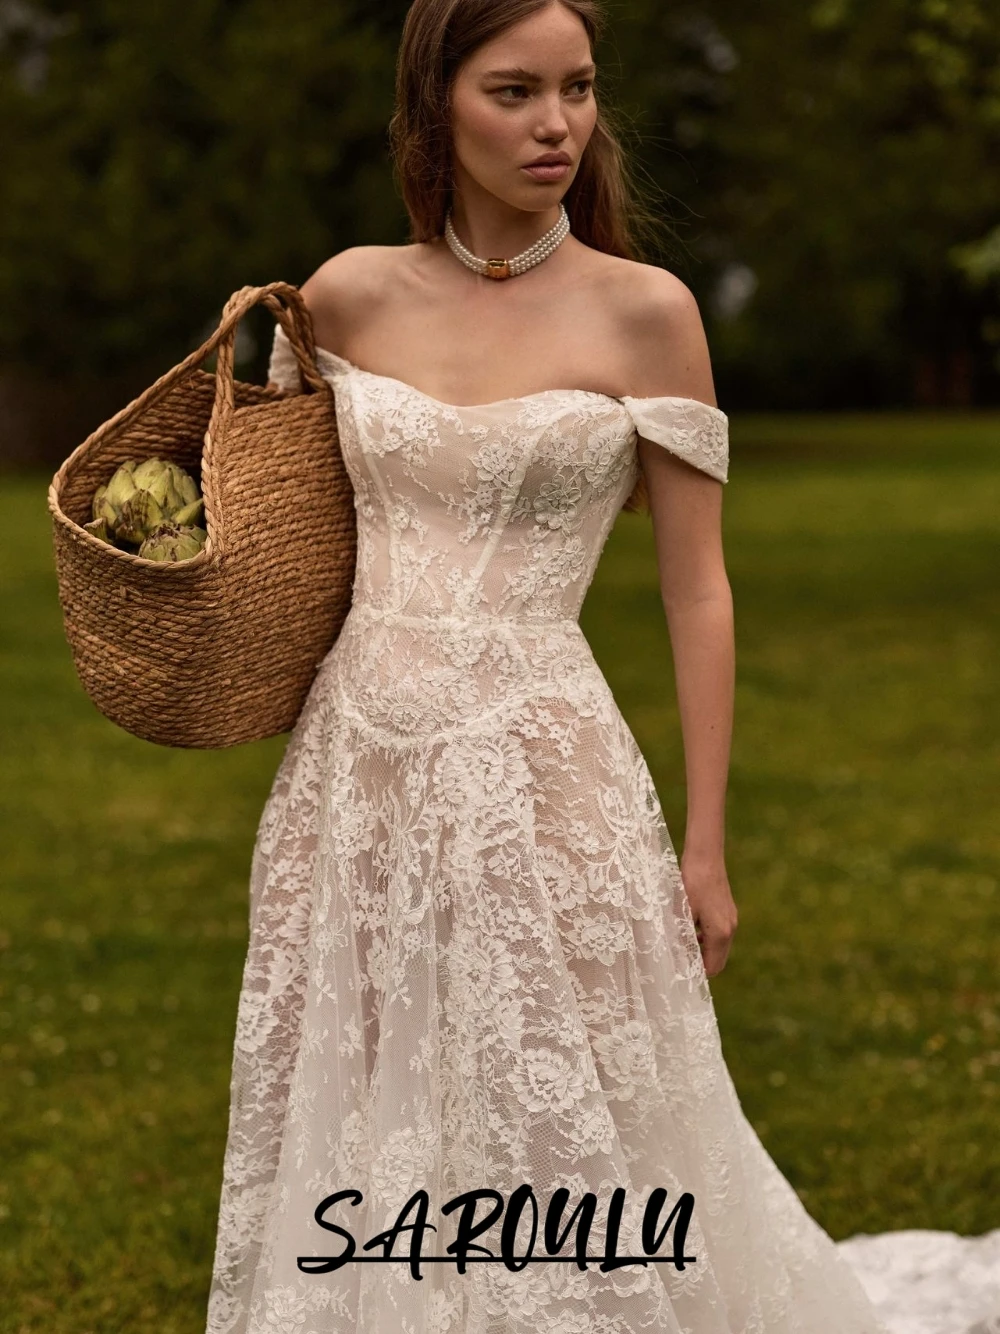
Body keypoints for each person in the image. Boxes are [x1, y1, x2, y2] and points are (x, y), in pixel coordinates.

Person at [204, 2, 999, 1333]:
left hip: (544, 766)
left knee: (557, 1100)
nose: (557, 123)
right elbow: (278, 530)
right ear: (435, 107)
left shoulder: (648, 314)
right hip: (356, 767)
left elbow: (699, 585)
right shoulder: (337, 294)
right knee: (367, 1079)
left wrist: (707, 844)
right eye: (514, 92)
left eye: (577, 88)